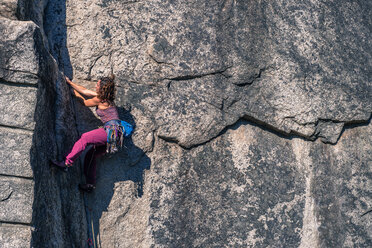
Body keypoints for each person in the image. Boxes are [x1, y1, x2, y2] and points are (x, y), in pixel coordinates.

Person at [51, 75, 122, 193]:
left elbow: (85, 101)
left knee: (85, 138)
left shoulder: (101, 100)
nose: (95, 86)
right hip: (116, 135)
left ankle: (66, 163)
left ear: (102, 88)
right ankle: (90, 184)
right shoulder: (106, 99)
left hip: (111, 132)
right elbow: (85, 91)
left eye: (98, 85)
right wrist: (70, 83)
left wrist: (73, 93)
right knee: (91, 154)